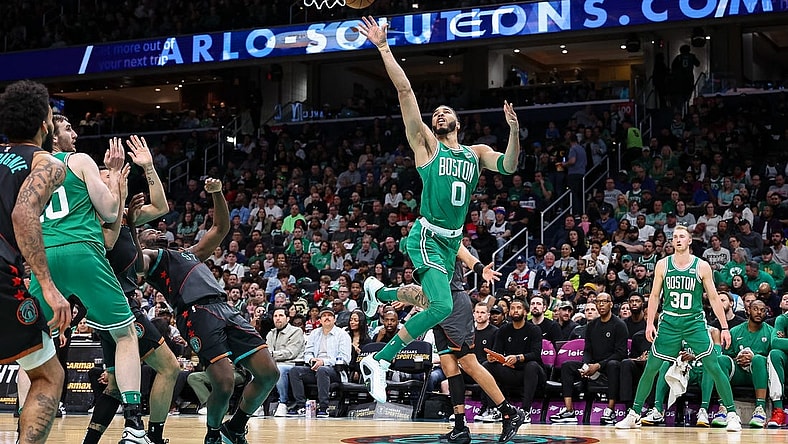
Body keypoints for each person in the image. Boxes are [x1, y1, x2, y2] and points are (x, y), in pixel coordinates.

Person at [357, 16, 521, 405]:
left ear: (459, 122)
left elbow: (511, 166)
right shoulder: (429, 147)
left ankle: (379, 292)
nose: (439, 115)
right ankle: (380, 360)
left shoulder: (476, 153)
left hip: (449, 244)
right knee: (443, 304)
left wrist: (514, 131)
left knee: (429, 303)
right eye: (436, 114)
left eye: (446, 112)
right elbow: (406, 92)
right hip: (427, 234)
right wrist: (383, 47)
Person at [26, 122, 149, 441]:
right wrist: (117, 180)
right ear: (53, 134)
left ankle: (23, 426)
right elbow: (109, 213)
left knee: (32, 345)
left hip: (44, 256)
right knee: (125, 334)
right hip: (81, 251)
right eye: (67, 128)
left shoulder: (28, 170)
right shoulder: (78, 160)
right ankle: (135, 425)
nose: (74, 134)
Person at [136, 178, 279, 444]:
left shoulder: (190, 253)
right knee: (223, 383)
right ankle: (213, 436)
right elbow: (133, 260)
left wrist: (217, 194)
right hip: (196, 313)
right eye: (148, 232)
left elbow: (221, 227)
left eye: (156, 229)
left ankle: (234, 427)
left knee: (269, 373)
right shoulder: (151, 259)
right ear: (140, 241)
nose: (156, 231)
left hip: (225, 308)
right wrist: (131, 227)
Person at [365, 244, 525, 443]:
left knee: (469, 363)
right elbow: (420, 290)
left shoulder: (449, 236)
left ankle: (509, 412)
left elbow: (465, 255)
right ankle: (460, 426)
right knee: (449, 367)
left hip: (454, 303)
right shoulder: (424, 244)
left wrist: (479, 268)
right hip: (438, 307)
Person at [84, 131, 179, 444]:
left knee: (114, 384)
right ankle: (146, 433)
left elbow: (162, 207)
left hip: (110, 308)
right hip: (120, 304)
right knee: (169, 367)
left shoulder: (125, 216)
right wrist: (119, 191)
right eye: (104, 176)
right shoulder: (93, 219)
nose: (113, 178)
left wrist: (148, 167)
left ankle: (91, 442)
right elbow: (111, 242)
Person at [615, 225, 742, 431]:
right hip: (669, 323)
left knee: (713, 366)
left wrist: (724, 327)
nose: (678, 239)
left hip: (694, 323)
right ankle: (634, 414)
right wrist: (649, 322)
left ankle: (732, 414)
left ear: (690, 240)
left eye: (682, 236)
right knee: (651, 368)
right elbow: (655, 295)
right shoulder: (663, 265)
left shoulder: (701, 266)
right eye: (674, 237)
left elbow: (713, 297)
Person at [0, 80, 69, 444]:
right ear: (46, 123)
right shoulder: (46, 163)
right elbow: (23, 211)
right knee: (48, 375)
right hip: (2, 274)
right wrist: (47, 285)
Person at [286, 306, 351, 418]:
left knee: (322, 370)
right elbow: (307, 352)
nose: (327, 318)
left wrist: (323, 362)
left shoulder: (342, 335)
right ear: (319, 320)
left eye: (329, 316)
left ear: (334, 319)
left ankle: (324, 407)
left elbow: (345, 358)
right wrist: (311, 360)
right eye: (324, 316)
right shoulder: (314, 334)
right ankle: (301, 406)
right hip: (315, 367)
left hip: (335, 370)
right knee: (295, 371)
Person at [265, 306, 305, 417]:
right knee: (257, 371)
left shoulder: (296, 331)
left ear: (287, 318)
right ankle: (257, 404)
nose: (277, 318)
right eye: (275, 316)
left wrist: (271, 355)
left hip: (291, 364)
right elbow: (266, 350)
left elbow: (290, 353)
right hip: (273, 363)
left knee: (279, 369)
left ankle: (283, 402)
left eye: (281, 315)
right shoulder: (270, 333)